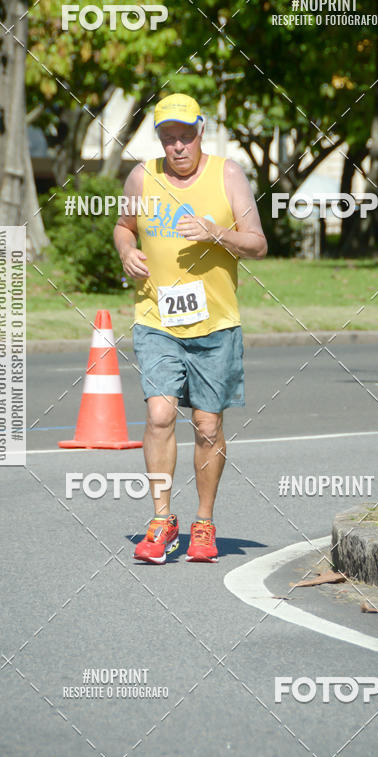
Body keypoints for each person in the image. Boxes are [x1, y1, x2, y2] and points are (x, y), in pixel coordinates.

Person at [114, 93, 267, 564]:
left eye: (185, 136)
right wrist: (126, 250)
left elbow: (257, 244)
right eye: (168, 138)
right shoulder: (142, 176)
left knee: (207, 425)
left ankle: (203, 522)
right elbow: (124, 226)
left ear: (201, 132)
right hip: (156, 319)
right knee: (160, 415)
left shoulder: (228, 174)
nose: (177, 146)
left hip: (215, 324)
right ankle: (161, 519)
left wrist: (215, 232)